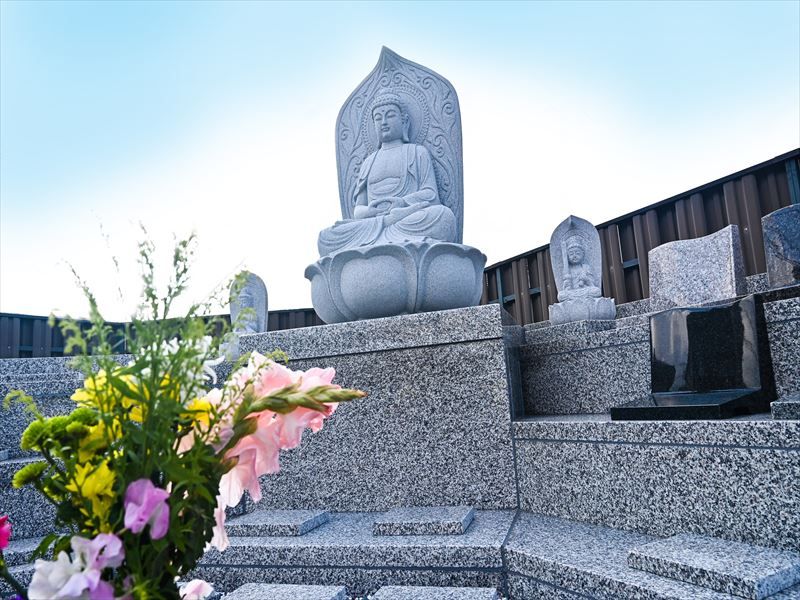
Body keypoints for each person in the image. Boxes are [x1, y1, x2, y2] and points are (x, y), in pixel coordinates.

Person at [318, 91, 457, 256]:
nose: (383, 122)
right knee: (326, 237)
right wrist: (372, 213)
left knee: (443, 217)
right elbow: (358, 210)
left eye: (390, 116)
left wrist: (402, 203)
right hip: (374, 224)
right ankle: (388, 236)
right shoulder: (368, 162)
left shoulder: (416, 152)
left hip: (407, 217)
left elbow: (431, 195)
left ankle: (382, 242)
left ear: (404, 121)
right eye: (378, 118)